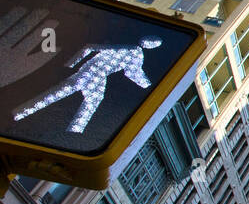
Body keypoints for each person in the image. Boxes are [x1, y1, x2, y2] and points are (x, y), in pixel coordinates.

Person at [13, 37, 161, 134]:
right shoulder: (126, 48)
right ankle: (72, 130)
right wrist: (70, 64)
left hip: (96, 75)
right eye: (151, 42)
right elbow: (90, 47)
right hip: (92, 72)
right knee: (67, 95)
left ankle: (73, 130)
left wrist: (149, 87)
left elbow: (133, 72)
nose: (150, 44)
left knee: (79, 97)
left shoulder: (135, 54)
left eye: (154, 44)